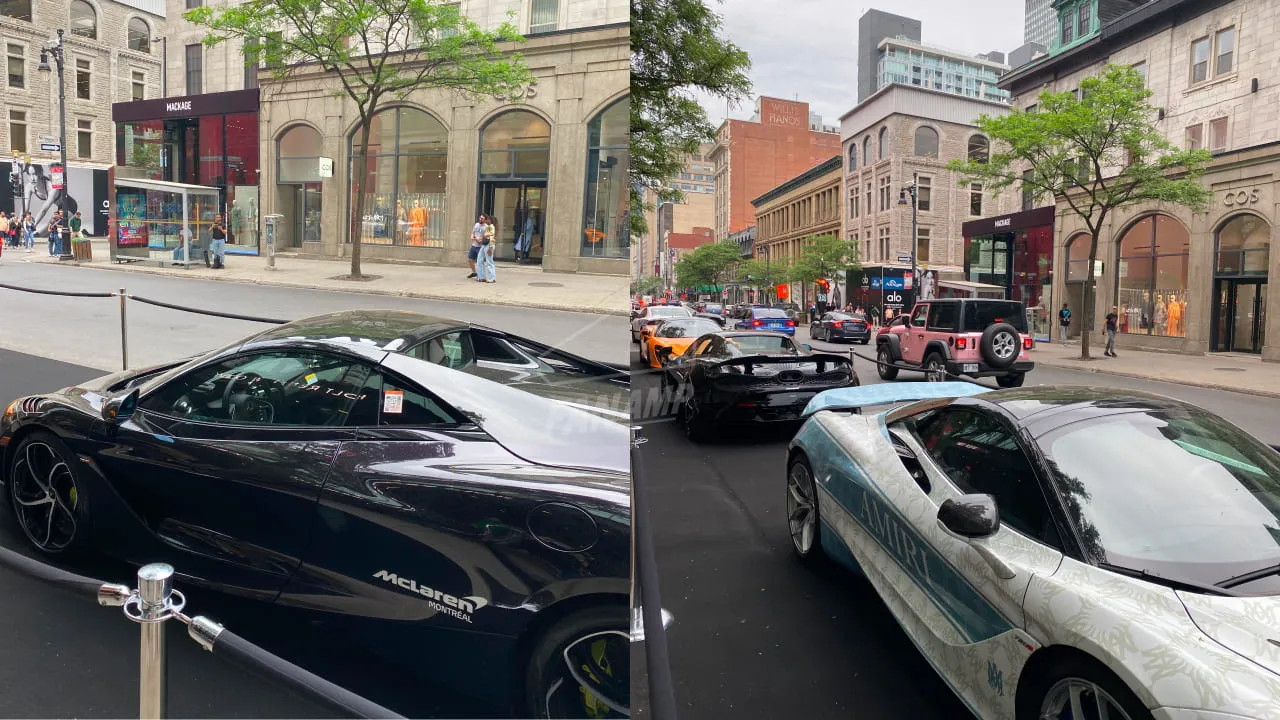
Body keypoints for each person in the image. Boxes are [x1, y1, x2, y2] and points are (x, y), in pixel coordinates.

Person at [476, 217, 497, 283]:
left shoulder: (491, 227)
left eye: (487, 219)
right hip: (484, 245)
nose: (486, 220)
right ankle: (481, 277)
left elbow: (492, 237)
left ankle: (492, 278)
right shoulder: (488, 227)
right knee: (479, 260)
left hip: (488, 245)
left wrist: (490, 248)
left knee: (489, 262)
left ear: (490, 220)